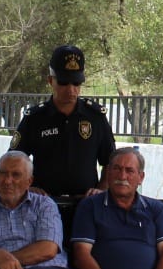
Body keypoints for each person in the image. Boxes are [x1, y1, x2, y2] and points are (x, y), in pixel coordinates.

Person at [11, 44, 115, 206]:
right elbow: (14, 160)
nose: (71, 90)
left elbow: (110, 161)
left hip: (85, 206)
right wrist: (27, 187)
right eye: (64, 82)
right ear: (50, 81)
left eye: (76, 83)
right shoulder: (35, 118)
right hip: (43, 205)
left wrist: (101, 190)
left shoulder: (95, 117)